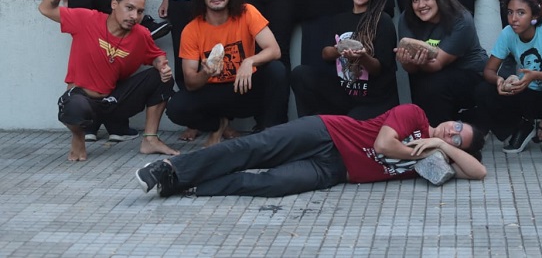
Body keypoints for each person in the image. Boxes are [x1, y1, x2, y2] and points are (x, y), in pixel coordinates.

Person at [136, 104, 486, 198]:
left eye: (459, 140)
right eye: (457, 127)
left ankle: (187, 186)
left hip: (336, 172)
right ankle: (170, 169)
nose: (451, 133)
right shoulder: (415, 114)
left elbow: (479, 172)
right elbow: (383, 145)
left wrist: (441, 147)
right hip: (327, 133)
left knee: (271, 184)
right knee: (256, 147)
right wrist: (422, 149)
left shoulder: (435, 161)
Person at [38, 0, 179, 162]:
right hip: (82, 99)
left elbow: (156, 55)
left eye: (139, 12)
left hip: (113, 101)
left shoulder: (140, 34)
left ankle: (150, 139)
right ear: (114, 4)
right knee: (74, 106)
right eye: (129, 8)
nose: (134, 16)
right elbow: (45, 8)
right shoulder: (86, 19)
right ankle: (78, 138)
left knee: (162, 78)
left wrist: (162, 66)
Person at [165, 0, 289, 146]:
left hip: (245, 88)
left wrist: (249, 61)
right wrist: (206, 73)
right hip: (213, 93)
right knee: (176, 108)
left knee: (276, 70)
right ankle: (217, 125)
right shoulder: (191, 29)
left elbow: (274, 50)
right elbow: (190, 82)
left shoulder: (247, 12)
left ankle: (269, 133)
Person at [291, 0, 399, 119]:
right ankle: (309, 125)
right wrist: (339, 50)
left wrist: (362, 57)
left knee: (352, 121)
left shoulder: (383, 21)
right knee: (300, 74)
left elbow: (379, 69)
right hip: (344, 94)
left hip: (372, 100)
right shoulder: (340, 19)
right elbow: (325, 54)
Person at [474, 0, 542, 154]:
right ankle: (521, 127)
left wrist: (536, 76)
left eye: (521, 13)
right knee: (483, 90)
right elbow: (489, 70)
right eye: (510, 12)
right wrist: (499, 81)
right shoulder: (507, 33)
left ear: (534, 16)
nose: (513, 18)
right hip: (525, 93)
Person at [396, 0, 487, 126]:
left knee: (432, 84)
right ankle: (427, 128)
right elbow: (411, 68)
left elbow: (437, 64)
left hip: (470, 74)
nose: (421, 5)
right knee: (419, 80)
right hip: (433, 74)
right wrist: (406, 62)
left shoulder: (461, 19)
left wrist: (417, 62)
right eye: (415, 0)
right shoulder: (407, 18)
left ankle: (440, 131)